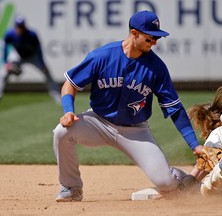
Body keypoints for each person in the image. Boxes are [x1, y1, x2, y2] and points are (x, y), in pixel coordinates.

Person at [53, 10, 202, 202]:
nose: (154, 42)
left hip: (135, 132)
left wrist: (195, 145)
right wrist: (68, 111)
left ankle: (178, 176)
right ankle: (71, 188)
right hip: (98, 122)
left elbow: (174, 107)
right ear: (134, 33)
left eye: (156, 38)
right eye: (150, 38)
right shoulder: (102, 56)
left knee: (166, 183)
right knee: (62, 132)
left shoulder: (157, 67)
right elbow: (70, 84)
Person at [0, 16, 61, 106]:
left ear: (25, 26)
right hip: (18, 55)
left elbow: (38, 49)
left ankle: (57, 96)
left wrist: (42, 64)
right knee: (4, 73)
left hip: (32, 56)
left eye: (21, 26)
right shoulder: (10, 34)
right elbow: (4, 48)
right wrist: (7, 63)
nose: (20, 28)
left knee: (46, 72)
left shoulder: (32, 34)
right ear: (15, 26)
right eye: (18, 26)